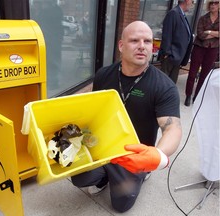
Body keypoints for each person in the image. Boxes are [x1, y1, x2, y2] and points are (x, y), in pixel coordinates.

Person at [71, 21, 182, 213]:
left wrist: (157, 154)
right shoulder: (104, 74)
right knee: (79, 178)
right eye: (134, 40)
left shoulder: (164, 87)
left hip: (134, 155)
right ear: (121, 46)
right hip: (104, 146)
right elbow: (93, 107)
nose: (142, 45)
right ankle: (104, 176)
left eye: (147, 41)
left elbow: (172, 128)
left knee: (121, 205)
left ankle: (142, 173)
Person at [184, 0, 219, 106]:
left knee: (204, 75)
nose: (213, 5)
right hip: (199, 48)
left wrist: (208, 31)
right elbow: (200, 35)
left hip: (213, 50)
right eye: (211, 3)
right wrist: (216, 34)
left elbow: (206, 34)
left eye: (216, 3)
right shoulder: (202, 18)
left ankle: (197, 96)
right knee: (192, 73)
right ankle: (188, 95)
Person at [158, 0, 194, 83]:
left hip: (178, 57)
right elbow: (167, 34)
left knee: (171, 84)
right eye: (192, 1)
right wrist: (167, 53)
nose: (192, 4)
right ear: (187, 1)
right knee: (164, 83)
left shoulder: (182, 15)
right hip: (171, 57)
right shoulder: (173, 13)